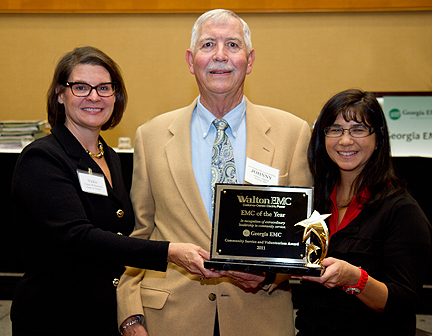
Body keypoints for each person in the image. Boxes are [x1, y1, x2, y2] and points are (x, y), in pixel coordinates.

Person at [116, 9, 312, 336]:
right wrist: (129, 313)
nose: (220, 55)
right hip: (169, 318)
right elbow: (140, 234)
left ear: (249, 61)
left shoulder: (292, 133)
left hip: (259, 316)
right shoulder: (150, 136)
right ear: (191, 60)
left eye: (232, 44)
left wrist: (268, 276)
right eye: (208, 44)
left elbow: (300, 240)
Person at [10, 46, 218, 336]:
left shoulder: (110, 156)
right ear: (60, 94)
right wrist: (170, 251)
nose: (94, 97)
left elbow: (125, 229)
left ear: (115, 96)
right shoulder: (42, 158)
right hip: (55, 317)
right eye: (80, 87)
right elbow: (78, 237)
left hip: (104, 315)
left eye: (104, 88)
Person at [294, 89, 432, 336]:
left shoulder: (402, 211)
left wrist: (354, 278)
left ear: (378, 138)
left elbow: (404, 303)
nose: (345, 140)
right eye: (335, 129)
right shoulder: (314, 204)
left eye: (358, 129)